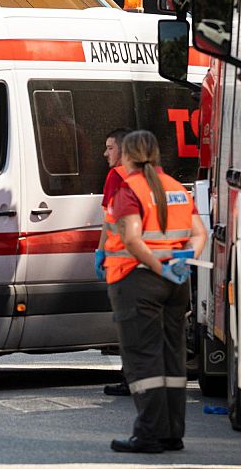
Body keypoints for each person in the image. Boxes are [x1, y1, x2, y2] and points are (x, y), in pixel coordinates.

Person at [104, 130, 208, 454]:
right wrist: (183, 261)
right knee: (171, 357)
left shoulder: (129, 189)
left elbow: (133, 240)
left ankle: (148, 434)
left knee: (143, 359)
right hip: (176, 285)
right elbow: (199, 234)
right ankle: (172, 433)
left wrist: (157, 266)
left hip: (137, 282)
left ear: (128, 156)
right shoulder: (177, 188)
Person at [95, 126, 134, 396]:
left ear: (123, 149)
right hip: (156, 263)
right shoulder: (156, 177)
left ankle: (129, 378)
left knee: (127, 325)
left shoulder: (115, 176)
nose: (105, 153)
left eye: (110, 147)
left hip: (123, 263)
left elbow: (108, 221)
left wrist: (100, 252)